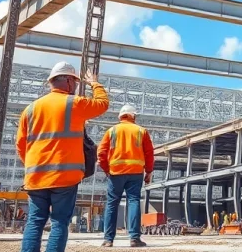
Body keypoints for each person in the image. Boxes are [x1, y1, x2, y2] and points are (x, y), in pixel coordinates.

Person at [16, 61, 109, 252]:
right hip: (64, 177)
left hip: (36, 177)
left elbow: (20, 144)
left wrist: (33, 166)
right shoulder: (74, 104)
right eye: (74, 82)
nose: (75, 86)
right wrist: (94, 83)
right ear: (67, 81)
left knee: (34, 222)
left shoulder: (30, 109)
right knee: (59, 222)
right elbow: (102, 104)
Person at [97, 103, 154, 248]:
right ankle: (134, 238)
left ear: (121, 116)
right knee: (134, 201)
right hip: (135, 172)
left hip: (116, 172)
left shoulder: (112, 131)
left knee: (112, 204)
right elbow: (149, 153)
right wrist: (149, 171)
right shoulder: (141, 131)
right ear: (133, 115)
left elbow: (101, 153)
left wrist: (106, 169)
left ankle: (108, 240)